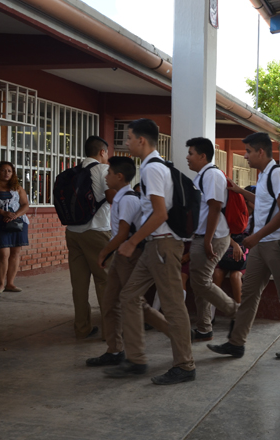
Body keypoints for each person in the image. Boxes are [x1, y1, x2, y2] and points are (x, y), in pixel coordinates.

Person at [104, 118, 195, 385]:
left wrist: (132, 242)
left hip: (163, 244)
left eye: (129, 138)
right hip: (155, 244)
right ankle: (136, 360)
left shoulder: (153, 169)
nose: (126, 143)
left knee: (173, 306)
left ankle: (185, 365)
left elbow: (160, 214)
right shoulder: (153, 166)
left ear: (141, 140)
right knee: (129, 296)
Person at [208, 132, 280, 359]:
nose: (245, 156)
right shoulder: (264, 175)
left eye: (248, 151)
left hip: (279, 244)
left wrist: (256, 236)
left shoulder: (278, 174)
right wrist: (240, 191)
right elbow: (265, 202)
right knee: (249, 293)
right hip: (262, 244)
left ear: (261, 152)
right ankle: (236, 343)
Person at [86, 156, 170, 366]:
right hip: (120, 256)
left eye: (109, 173)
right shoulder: (120, 198)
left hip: (130, 257)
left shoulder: (128, 200)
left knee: (135, 303)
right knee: (110, 303)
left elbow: (123, 233)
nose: (106, 177)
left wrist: (103, 252)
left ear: (119, 176)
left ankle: (176, 332)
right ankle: (114, 350)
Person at [185, 136, 240, 342]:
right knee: (200, 283)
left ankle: (237, 312)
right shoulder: (202, 176)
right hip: (204, 236)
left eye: (191, 153)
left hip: (212, 237)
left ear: (202, 156)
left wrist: (207, 240)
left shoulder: (212, 175)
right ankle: (204, 328)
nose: (187, 157)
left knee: (200, 282)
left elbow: (215, 207)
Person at [65, 136, 114, 339]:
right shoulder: (103, 170)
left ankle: (82, 328)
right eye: (107, 152)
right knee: (105, 281)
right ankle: (109, 331)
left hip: (73, 232)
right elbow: (112, 198)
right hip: (97, 231)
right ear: (102, 152)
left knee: (79, 284)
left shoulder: (72, 172)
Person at [0, 161, 30, 294]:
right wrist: (3, 213)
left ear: (13, 173)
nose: (6, 173)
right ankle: (0, 284)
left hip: (17, 223)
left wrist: (14, 215)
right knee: (3, 254)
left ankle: (10, 284)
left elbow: (25, 205)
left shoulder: (17, 187)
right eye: (3, 170)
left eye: (9, 171)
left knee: (15, 253)